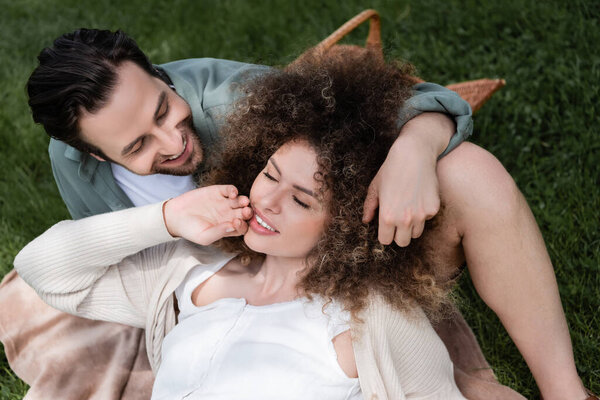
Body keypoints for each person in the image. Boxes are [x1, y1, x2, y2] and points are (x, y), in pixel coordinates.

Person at [14, 29, 590, 399]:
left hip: (337, 261)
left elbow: (370, 110)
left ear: (161, 77)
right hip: (218, 286)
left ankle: (564, 390)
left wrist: (416, 147)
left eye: (165, 108)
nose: (171, 142)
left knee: (469, 170)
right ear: (91, 152)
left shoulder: (234, 103)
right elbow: (63, 260)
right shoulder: (79, 169)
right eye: (137, 147)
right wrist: (168, 217)